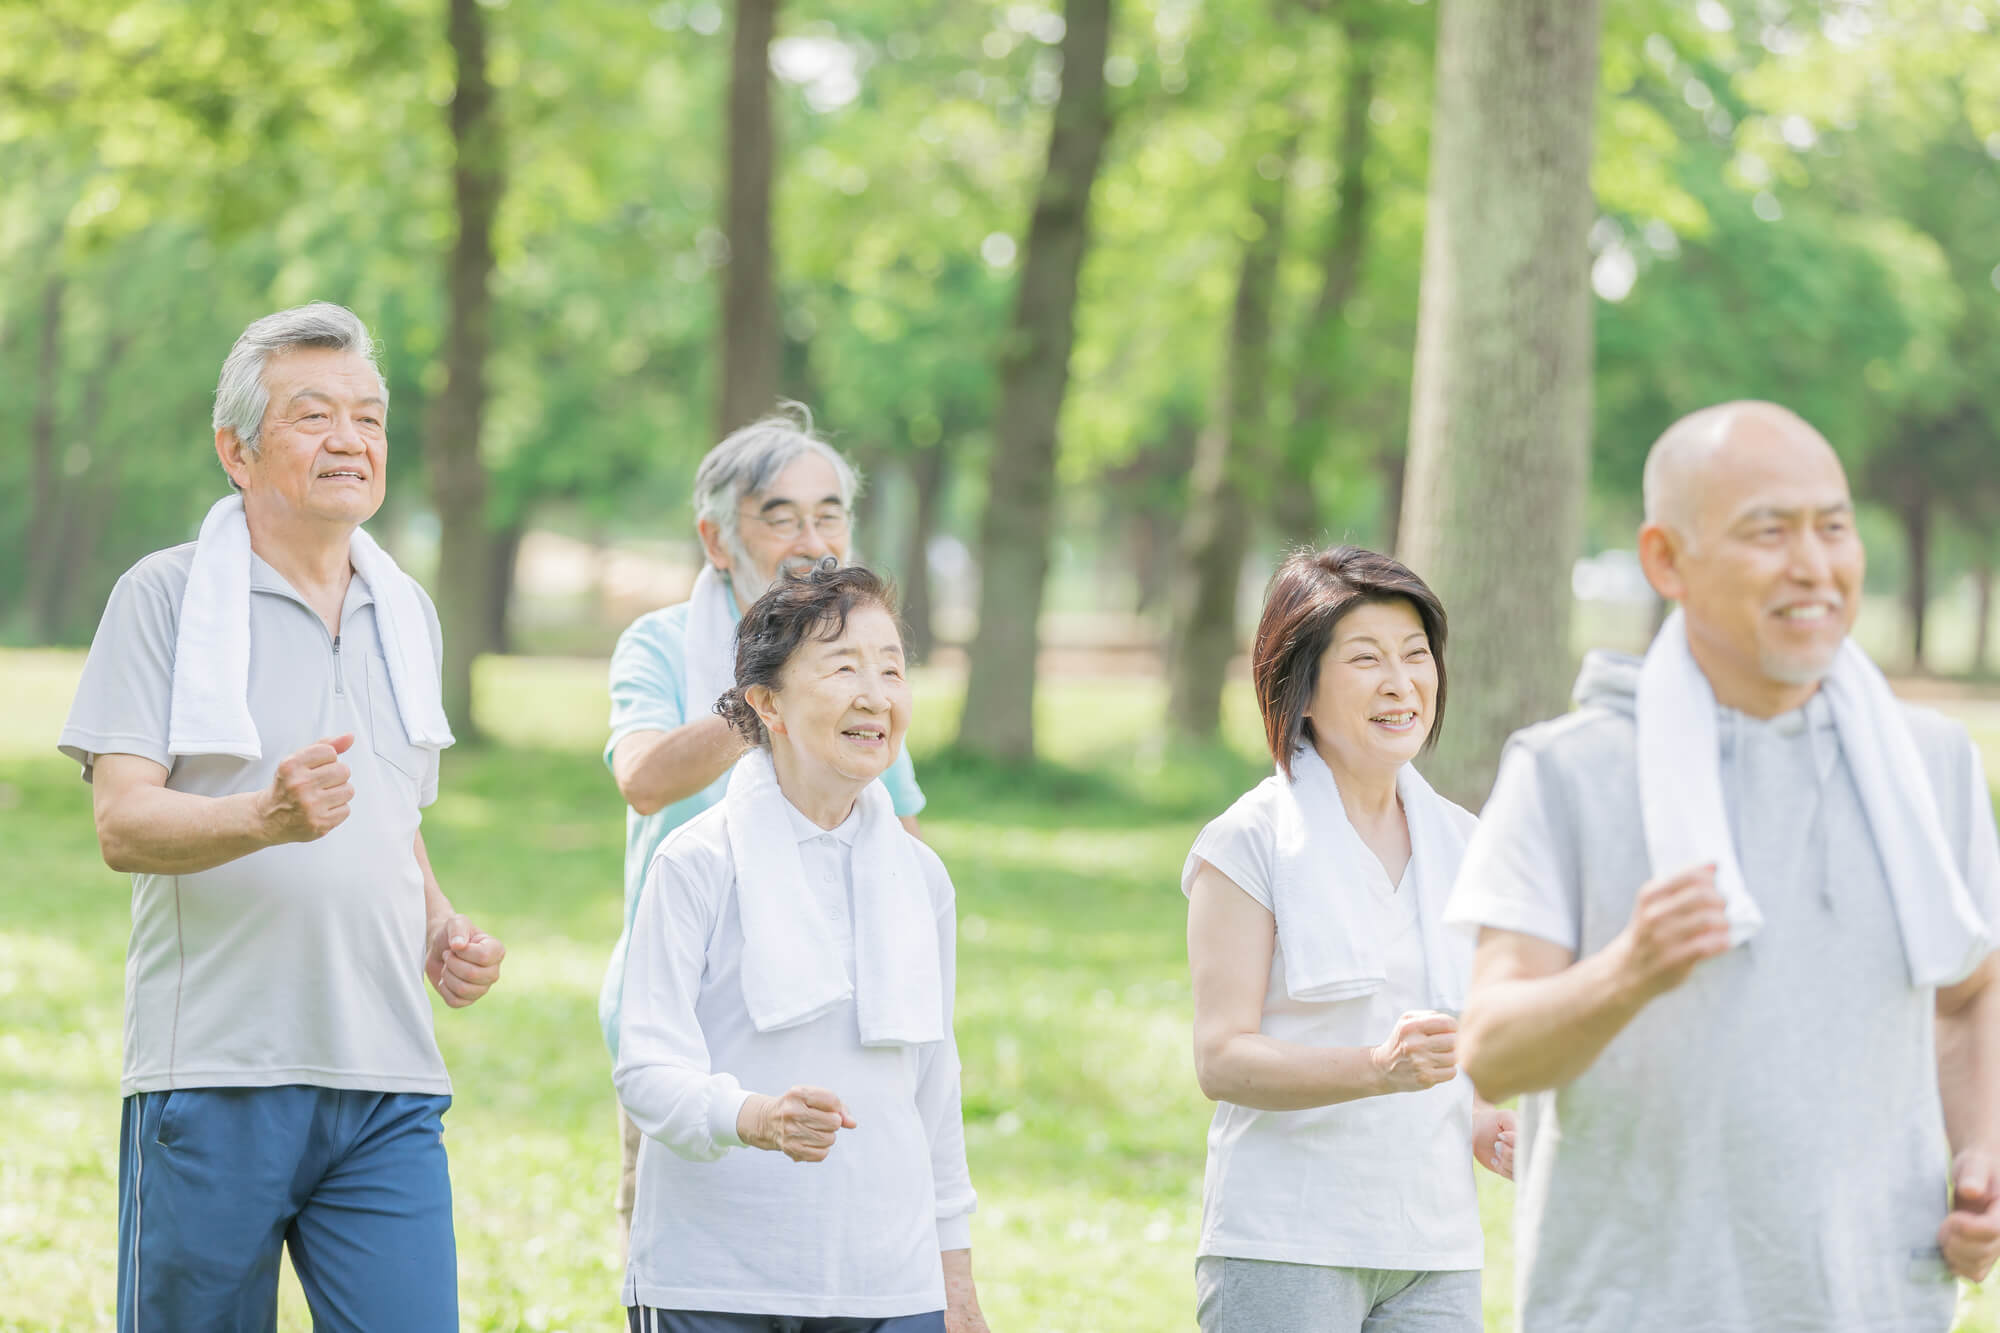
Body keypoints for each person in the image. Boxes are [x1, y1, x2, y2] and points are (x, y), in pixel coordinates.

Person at [1447, 401, 2000, 1331]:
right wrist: (1629, 971)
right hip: (1633, 1304)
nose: (1814, 565)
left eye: (1833, 526)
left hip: (1877, 1303)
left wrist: (1981, 1151)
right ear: (1667, 559)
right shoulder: (1567, 770)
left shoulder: (1931, 762)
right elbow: (1490, 1049)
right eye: (1767, 531)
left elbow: (1972, 989)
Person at [59, 302, 506, 1331]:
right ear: (237, 449)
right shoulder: (164, 597)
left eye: (370, 417)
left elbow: (392, 814)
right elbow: (123, 824)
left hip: (387, 1080)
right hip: (214, 1077)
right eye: (314, 416)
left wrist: (439, 923)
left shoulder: (409, 610)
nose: (350, 439)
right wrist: (263, 815)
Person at [614, 561, 985, 1332]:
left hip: (890, 1283)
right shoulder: (696, 861)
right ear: (767, 704)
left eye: (891, 667)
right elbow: (646, 1070)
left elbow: (935, 1088)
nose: (876, 694)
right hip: (713, 1281)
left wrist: (956, 1279)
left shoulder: (921, 877)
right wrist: (752, 1116)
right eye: (843, 666)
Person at [602, 409, 926, 1251]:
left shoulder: (858, 666)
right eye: (780, 516)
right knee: (697, 1262)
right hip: (695, 1022)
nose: (812, 538)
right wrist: (766, 687)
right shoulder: (662, 644)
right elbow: (642, 779)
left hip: (840, 1025)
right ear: (717, 539)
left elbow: (906, 841)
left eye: (829, 514)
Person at [1182, 546, 1516, 1333]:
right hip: (1287, 1239)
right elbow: (1221, 1057)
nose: (1401, 682)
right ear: (1299, 690)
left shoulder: (1464, 843)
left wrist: (1487, 1120)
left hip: (1434, 1245)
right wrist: (1376, 1069)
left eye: (1415, 655)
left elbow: (1458, 1044)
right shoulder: (1248, 843)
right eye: (1366, 659)